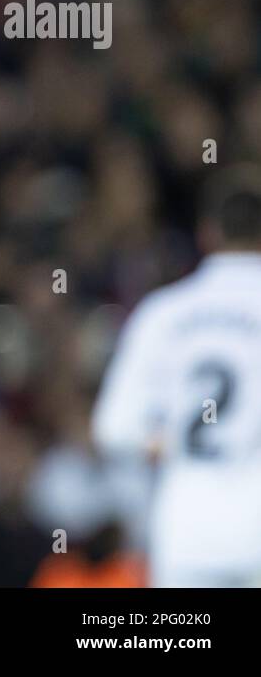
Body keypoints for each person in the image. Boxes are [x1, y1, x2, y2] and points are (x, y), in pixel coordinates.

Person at [93, 166, 261, 587]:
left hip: (188, 529)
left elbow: (113, 427)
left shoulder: (162, 313)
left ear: (208, 234)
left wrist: (165, 437)